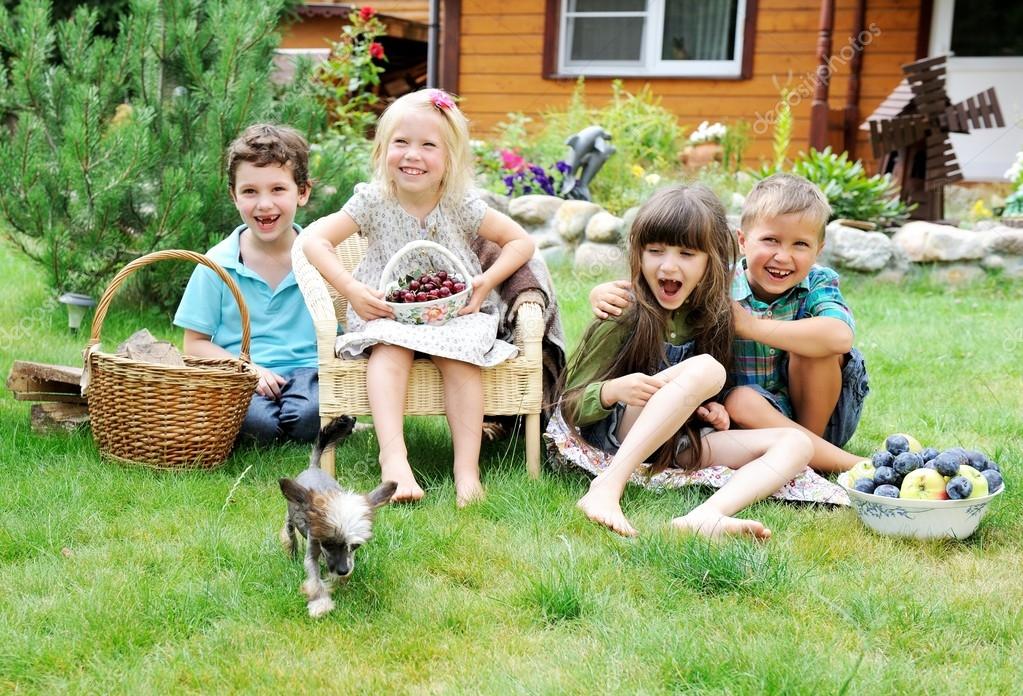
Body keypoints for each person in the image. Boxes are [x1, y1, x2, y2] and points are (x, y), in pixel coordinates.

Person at [302, 89, 535, 507]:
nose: (413, 155)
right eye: (401, 143)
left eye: (429, 145)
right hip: (388, 312)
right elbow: (315, 240)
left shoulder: (460, 204)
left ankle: (467, 470)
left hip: (450, 315)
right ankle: (395, 459)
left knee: (462, 360)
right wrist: (352, 290)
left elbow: (520, 242)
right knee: (389, 352)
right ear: (382, 149)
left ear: (450, 159)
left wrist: (484, 283)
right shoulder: (373, 201)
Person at [557, 185, 812, 538]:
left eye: (687, 253)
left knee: (797, 444)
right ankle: (607, 487)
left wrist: (711, 409)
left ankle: (707, 515)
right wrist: (612, 390)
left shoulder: (715, 317)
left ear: (712, 260)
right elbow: (569, 406)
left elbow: (696, 393)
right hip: (620, 433)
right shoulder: (623, 310)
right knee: (708, 368)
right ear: (638, 254)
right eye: (655, 251)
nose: (668, 265)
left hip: (677, 443)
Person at [589, 173, 868, 473]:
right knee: (742, 400)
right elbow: (669, 282)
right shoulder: (719, 281)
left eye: (800, 244)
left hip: (821, 421)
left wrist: (749, 326)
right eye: (771, 240)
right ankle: (842, 463)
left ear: (818, 250)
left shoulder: (818, 283)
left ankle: (817, 456)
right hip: (747, 420)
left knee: (814, 345)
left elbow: (840, 337)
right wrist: (602, 291)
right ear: (743, 241)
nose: (783, 256)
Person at [174, 123, 320, 445]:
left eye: (278, 190)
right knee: (256, 424)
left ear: (303, 192)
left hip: (309, 372)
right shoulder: (218, 263)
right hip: (241, 374)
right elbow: (194, 344)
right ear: (233, 196)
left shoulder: (319, 258)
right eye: (250, 191)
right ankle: (273, 429)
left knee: (311, 414)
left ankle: (312, 423)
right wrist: (247, 368)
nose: (264, 204)